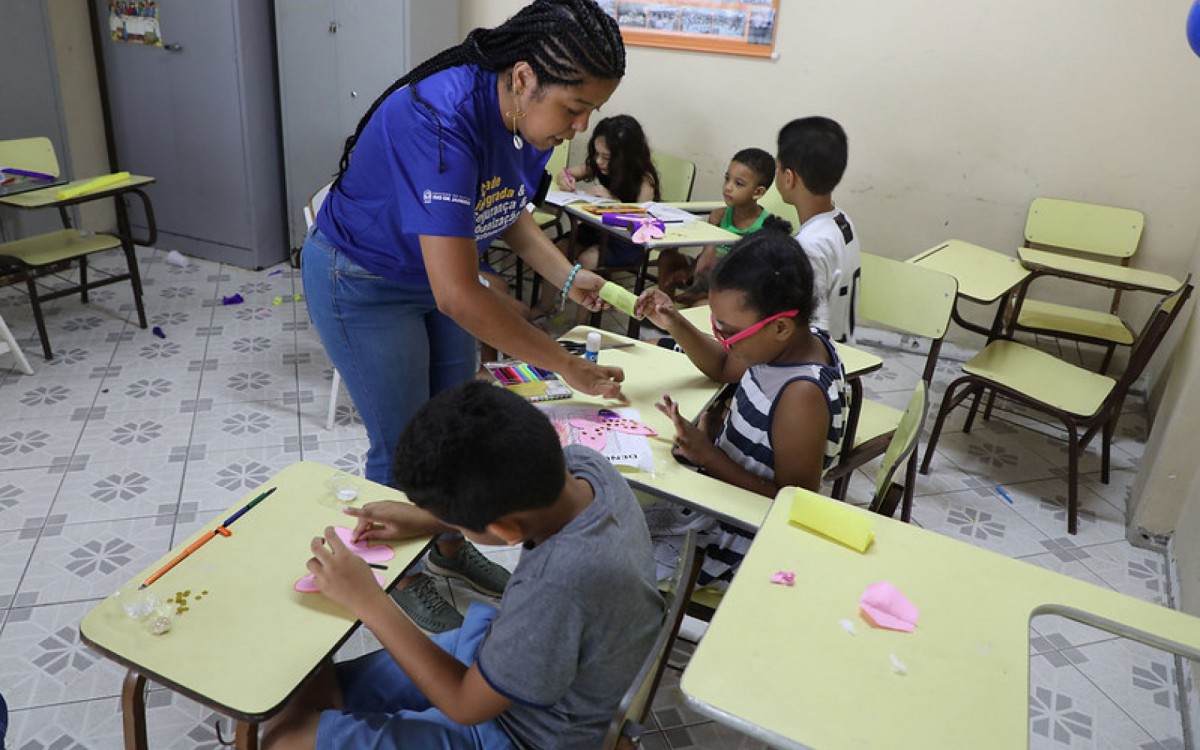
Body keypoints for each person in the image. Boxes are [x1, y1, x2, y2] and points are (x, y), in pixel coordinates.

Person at [302, 0, 628, 631]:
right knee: (405, 445)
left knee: (458, 430)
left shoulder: (525, 117)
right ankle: (404, 572)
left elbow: (505, 207)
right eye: (574, 108)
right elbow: (457, 293)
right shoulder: (442, 119)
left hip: (437, 275)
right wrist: (565, 367)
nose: (581, 126)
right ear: (526, 77)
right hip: (364, 280)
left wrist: (565, 274)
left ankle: (447, 545)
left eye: (593, 110)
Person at [261, 381, 664, 750]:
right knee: (301, 684)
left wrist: (369, 601)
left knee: (284, 738)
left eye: (456, 524)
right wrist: (429, 518)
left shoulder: (557, 587)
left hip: (528, 734)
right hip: (524, 656)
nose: (450, 527)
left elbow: (465, 706)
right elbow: (517, 516)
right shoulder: (584, 466)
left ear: (504, 527)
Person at [634, 219, 849, 589]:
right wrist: (673, 321)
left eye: (728, 331)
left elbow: (792, 502)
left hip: (738, 538)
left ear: (780, 327)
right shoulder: (780, 345)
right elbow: (720, 365)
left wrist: (709, 455)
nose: (723, 339)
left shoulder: (802, 395)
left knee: (609, 561)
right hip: (717, 496)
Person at [776, 116, 861, 342]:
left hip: (821, 364)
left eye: (777, 166)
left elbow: (814, 331)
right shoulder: (842, 221)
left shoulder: (809, 247)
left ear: (788, 178)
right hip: (843, 349)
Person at [659, 147, 775, 302]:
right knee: (668, 257)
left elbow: (753, 278)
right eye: (727, 178)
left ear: (758, 193)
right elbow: (705, 258)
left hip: (733, 288)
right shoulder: (718, 216)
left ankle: (694, 299)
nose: (728, 187)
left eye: (738, 183)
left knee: (719, 272)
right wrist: (689, 272)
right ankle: (664, 308)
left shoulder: (764, 228)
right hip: (706, 276)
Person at [553, 114, 661, 272]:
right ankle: (545, 298)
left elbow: (639, 220)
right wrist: (566, 179)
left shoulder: (644, 179)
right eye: (597, 154)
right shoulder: (600, 165)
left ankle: (577, 296)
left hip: (626, 240)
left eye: (606, 157)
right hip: (597, 230)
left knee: (586, 260)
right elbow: (567, 173)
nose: (598, 161)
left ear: (626, 157)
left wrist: (613, 200)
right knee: (558, 252)